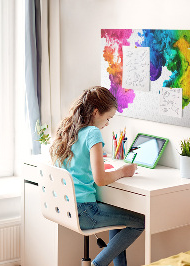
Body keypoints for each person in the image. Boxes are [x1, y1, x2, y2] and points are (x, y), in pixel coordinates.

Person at [50, 86, 145, 266]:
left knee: (118, 220)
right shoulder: (93, 133)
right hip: (85, 211)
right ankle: (99, 263)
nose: (108, 123)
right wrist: (124, 171)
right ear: (95, 112)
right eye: (108, 118)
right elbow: (100, 179)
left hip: (67, 207)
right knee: (140, 221)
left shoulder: (68, 129)